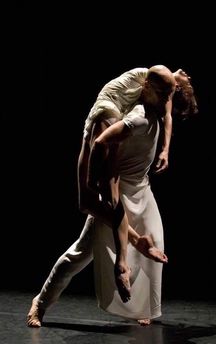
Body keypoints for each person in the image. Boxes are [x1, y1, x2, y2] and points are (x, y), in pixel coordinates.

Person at [27, 65, 197, 327]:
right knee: (81, 251)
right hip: (109, 158)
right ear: (148, 90)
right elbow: (112, 192)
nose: (168, 102)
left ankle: (145, 306)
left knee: (153, 243)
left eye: (170, 96)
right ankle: (40, 302)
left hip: (138, 182)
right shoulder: (124, 119)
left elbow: (167, 111)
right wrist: (123, 259)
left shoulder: (160, 91)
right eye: (164, 95)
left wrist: (165, 149)